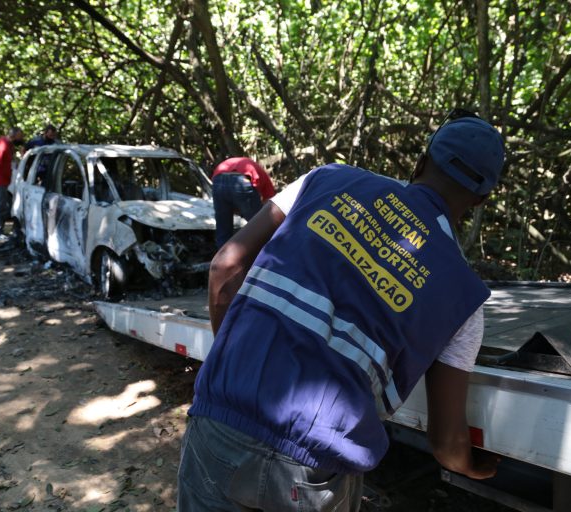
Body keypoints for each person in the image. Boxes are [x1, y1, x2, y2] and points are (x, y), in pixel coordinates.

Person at [177, 109, 506, 511]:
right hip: (316, 470)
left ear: (422, 161)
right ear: (481, 198)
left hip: (222, 422)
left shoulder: (326, 180)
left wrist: (235, 366)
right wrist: (473, 466)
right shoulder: (464, 296)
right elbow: (446, 445)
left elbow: (225, 265)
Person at [211, 156, 276, 248]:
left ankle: (221, 259)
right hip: (240, 178)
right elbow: (270, 205)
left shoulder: (249, 165)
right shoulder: (265, 178)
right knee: (261, 225)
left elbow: (229, 198)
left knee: (223, 229)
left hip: (218, 179)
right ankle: (269, 252)